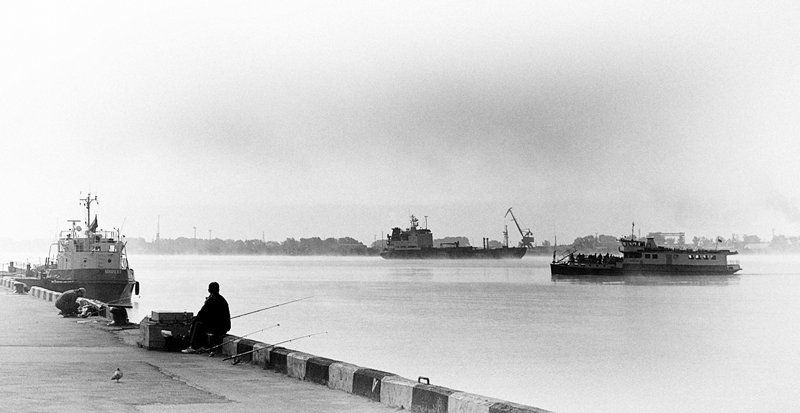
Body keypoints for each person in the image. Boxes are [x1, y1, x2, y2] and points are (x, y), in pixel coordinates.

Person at [182, 282, 231, 354]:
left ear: (209, 290)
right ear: (218, 290)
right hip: (224, 327)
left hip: (218, 327)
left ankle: (192, 346)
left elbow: (202, 314)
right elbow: (208, 315)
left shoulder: (212, 300)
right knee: (200, 323)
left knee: (197, 324)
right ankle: (201, 345)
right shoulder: (221, 299)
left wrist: (193, 319)